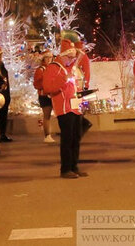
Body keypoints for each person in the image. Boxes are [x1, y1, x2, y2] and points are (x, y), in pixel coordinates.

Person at [43, 39, 87, 178]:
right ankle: (65, 169)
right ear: (63, 55)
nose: (72, 59)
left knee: (76, 138)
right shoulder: (53, 67)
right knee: (67, 139)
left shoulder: (71, 68)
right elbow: (48, 88)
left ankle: (74, 166)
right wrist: (63, 79)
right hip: (64, 108)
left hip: (75, 107)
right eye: (69, 57)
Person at [33, 50, 56, 143]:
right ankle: (47, 135)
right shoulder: (40, 70)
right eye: (47, 57)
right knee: (47, 116)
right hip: (45, 95)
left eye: (51, 57)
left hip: (53, 94)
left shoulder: (53, 68)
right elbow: (37, 84)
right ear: (43, 59)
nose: (49, 59)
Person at [74, 40, 93, 137]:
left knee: (77, 108)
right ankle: (79, 129)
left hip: (79, 86)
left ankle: (83, 126)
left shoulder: (82, 57)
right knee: (76, 108)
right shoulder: (79, 57)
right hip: (77, 86)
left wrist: (86, 85)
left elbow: (86, 72)